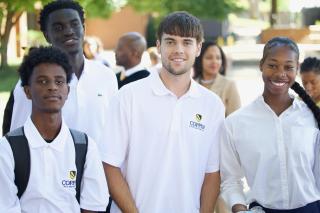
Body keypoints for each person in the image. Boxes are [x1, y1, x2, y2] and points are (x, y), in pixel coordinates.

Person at [100, 11, 225, 213]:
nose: (178, 50)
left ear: (198, 47)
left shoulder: (212, 105)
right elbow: (110, 165)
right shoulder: (128, 96)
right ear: (158, 46)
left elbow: (212, 172)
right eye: (170, 42)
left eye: (186, 42)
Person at [0, 46, 108, 212]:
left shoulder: (85, 147)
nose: (52, 87)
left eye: (59, 81)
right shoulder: (8, 148)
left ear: (67, 91)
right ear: (27, 91)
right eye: (43, 81)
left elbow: (93, 206)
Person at [220, 37, 320, 213]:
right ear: (261, 65)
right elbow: (230, 179)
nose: (280, 73)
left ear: (297, 68)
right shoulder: (235, 124)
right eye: (272, 65)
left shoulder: (311, 118)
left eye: (288, 67)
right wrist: (240, 209)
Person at [3, 0, 118, 145]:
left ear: (83, 28)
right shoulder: (34, 80)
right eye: (58, 27)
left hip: (99, 166)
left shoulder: (106, 75)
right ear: (47, 35)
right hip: (52, 166)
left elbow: (115, 129)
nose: (69, 31)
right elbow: (16, 137)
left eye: (74, 24)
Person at [193, 41, 241, 116]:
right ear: (199, 60)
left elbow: (236, 119)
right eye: (209, 58)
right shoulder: (191, 85)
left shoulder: (229, 85)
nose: (214, 61)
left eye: (218, 58)